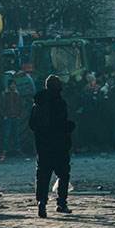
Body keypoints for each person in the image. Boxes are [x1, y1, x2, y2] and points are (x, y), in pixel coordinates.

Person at [29, 75, 75, 217]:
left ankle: (41, 202)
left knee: (42, 176)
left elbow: (32, 124)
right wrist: (70, 127)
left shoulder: (38, 103)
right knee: (63, 175)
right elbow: (61, 124)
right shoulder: (59, 102)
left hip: (43, 145)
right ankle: (61, 203)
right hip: (59, 145)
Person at [0, 78, 23, 162]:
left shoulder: (17, 94)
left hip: (15, 117)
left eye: (14, 84)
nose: (13, 86)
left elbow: (20, 105)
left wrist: (19, 114)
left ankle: (17, 151)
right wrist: (4, 115)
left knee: (16, 135)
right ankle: (4, 152)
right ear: (9, 85)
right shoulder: (4, 94)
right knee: (6, 135)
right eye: (12, 84)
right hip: (7, 117)